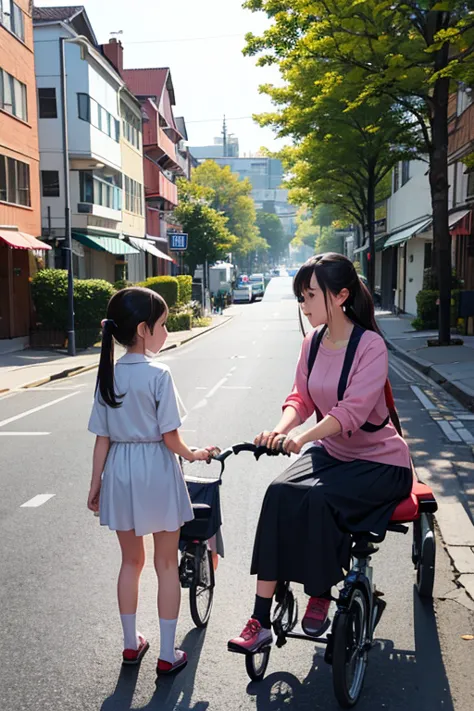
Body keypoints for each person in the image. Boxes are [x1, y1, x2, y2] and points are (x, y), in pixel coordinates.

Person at [228, 253, 412, 654]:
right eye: (302, 295)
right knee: (277, 492)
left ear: (341, 295)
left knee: (319, 497)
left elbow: (352, 411)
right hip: (333, 453)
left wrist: (302, 438)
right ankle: (259, 618)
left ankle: (320, 591)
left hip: (380, 461)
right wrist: (278, 431)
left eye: (310, 295)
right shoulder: (312, 343)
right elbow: (301, 398)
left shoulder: (370, 346)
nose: (304, 304)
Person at [87, 287, 218, 675]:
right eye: (162, 325)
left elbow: (102, 439)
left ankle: (131, 645)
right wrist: (195, 454)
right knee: (165, 564)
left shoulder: (109, 375)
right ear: (143, 329)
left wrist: (95, 484)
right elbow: (171, 438)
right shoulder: (159, 374)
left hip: (120, 471)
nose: (166, 332)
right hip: (156, 469)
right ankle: (166, 653)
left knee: (130, 562)